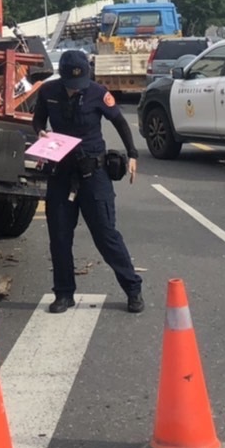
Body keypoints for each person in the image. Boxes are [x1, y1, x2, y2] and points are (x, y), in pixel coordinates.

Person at [33, 48, 144, 314]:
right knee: (59, 236)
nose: (75, 90)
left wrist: (132, 154)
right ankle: (63, 293)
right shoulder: (48, 93)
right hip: (61, 171)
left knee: (106, 235)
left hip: (93, 173)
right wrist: (40, 134)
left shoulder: (97, 93)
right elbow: (38, 120)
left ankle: (132, 288)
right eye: (70, 86)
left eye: (79, 84)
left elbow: (119, 122)